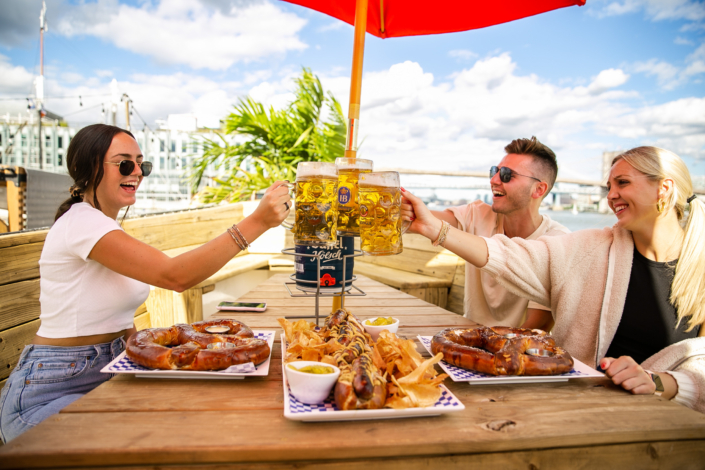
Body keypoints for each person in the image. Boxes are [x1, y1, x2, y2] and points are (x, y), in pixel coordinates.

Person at [0, 124, 292, 442]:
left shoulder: (106, 228)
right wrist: (259, 221)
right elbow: (175, 276)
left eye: (142, 164)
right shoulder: (81, 221)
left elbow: (123, 327)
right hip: (51, 389)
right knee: (160, 440)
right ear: (90, 168)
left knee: (198, 419)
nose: (137, 172)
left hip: (112, 368)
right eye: (125, 163)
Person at [401, 146, 705, 413]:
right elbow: (514, 256)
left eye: (622, 183)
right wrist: (435, 229)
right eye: (608, 186)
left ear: (663, 188)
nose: (611, 196)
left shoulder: (699, 269)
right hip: (572, 407)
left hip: (670, 422)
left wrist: (660, 383)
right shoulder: (589, 248)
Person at [433, 137, 569, 330]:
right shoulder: (477, 214)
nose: (494, 180)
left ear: (539, 189)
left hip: (515, 355)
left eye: (507, 175)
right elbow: (424, 218)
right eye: (494, 171)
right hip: (469, 340)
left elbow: (536, 327)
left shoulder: (556, 243)